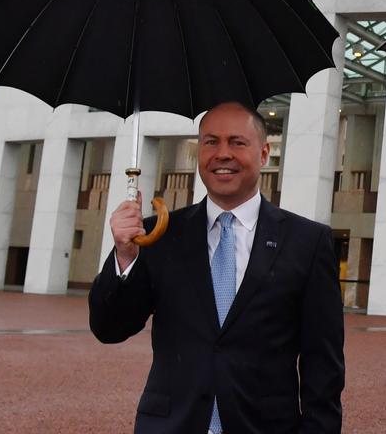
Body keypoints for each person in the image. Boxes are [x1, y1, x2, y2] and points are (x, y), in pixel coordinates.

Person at [90, 101, 344, 434]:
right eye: (211, 142)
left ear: (264, 154)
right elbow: (109, 328)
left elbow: (323, 366)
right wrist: (124, 256)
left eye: (237, 142)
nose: (222, 153)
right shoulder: (159, 236)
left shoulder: (307, 242)